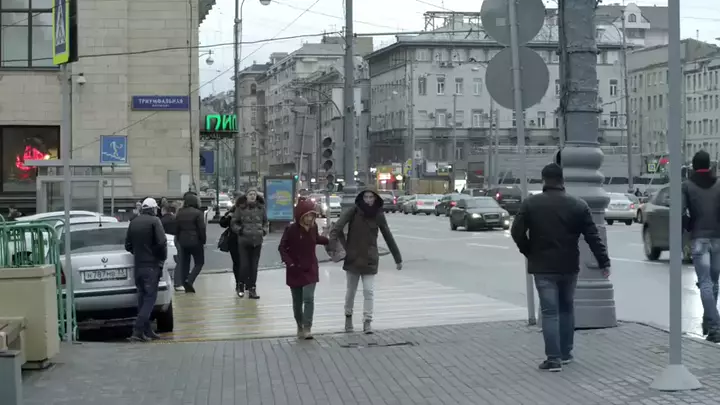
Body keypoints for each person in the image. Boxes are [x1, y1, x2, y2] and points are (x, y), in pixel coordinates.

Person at [510, 163, 610, 372]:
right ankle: (566, 353)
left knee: (550, 312)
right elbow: (592, 236)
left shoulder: (531, 204)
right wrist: (604, 261)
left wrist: (529, 251)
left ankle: (553, 359)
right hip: (569, 265)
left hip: (543, 267)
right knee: (566, 309)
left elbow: (516, 232)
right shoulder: (578, 205)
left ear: (543, 180)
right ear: (562, 180)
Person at [330, 187, 403, 335]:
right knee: (351, 291)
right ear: (361, 198)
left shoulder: (378, 214)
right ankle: (348, 318)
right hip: (353, 258)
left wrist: (398, 258)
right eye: (366, 197)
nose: (368, 200)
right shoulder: (354, 211)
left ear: (375, 198)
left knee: (368, 291)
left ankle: (367, 321)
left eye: (371, 197)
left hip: (370, 258)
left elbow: (387, 235)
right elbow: (336, 229)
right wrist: (339, 247)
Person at [682, 150, 720, 342]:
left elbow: (682, 214)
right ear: (709, 165)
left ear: (694, 166)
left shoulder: (687, 186)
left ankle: (714, 326)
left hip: (699, 239)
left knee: (704, 282)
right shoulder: (719, 184)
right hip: (718, 239)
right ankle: (709, 323)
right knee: (714, 282)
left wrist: (689, 229)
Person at [278, 199, 329, 339]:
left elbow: (316, 239)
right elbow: (282, 247)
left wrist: (328, 238)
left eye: (312, 215)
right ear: (300, 216)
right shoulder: (291, 229)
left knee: (308, 298)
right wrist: (290, 263)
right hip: (295, 269)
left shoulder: (313, 227)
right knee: (297, 301)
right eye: (307, 216)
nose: (310, 218)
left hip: (310, 267)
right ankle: (300, 325)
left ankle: (307, 328)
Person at [124, 198, 168, 342]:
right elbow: (162, 242)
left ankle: (147, 331)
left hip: (138, 266)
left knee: (142, 299)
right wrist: (160, 258)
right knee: (150, 299)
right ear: (153, 209)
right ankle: (137, 331)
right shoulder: (155, 221)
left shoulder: (134, 222)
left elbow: (127, 245)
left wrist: (138, 253)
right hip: (151, 266)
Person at [231, 188, 267, 299]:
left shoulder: (261, 208)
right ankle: (241, 285)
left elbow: (265, 222)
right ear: (246, 196)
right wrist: (240, 230)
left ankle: (252, 289)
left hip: (257, 240)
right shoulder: (240, 208)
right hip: (244, 241)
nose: (252, 196)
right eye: (250, 194)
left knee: (254, 266)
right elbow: (234, 222)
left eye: (254, 194)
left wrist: (263, 231)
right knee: (244, 265)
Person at [175, 192, 207, 293]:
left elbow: (177, 228)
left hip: (183, 240)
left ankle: (184, 282)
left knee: (185, 263)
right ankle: (190, 280)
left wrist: (179, 239)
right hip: (195, 240)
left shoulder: (180, 212)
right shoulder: (198, 213)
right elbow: (201, 228)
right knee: (199, 262)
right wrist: (203, 240)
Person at [219, 194, 244, 297]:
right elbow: (222, 223)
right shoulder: (232, 211)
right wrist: (228, 216)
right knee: (237, 262)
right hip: (234, 240)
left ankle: (243, 282)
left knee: (244, 262)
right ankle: (239, 283)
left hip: (245, 239)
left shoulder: (248, 211)